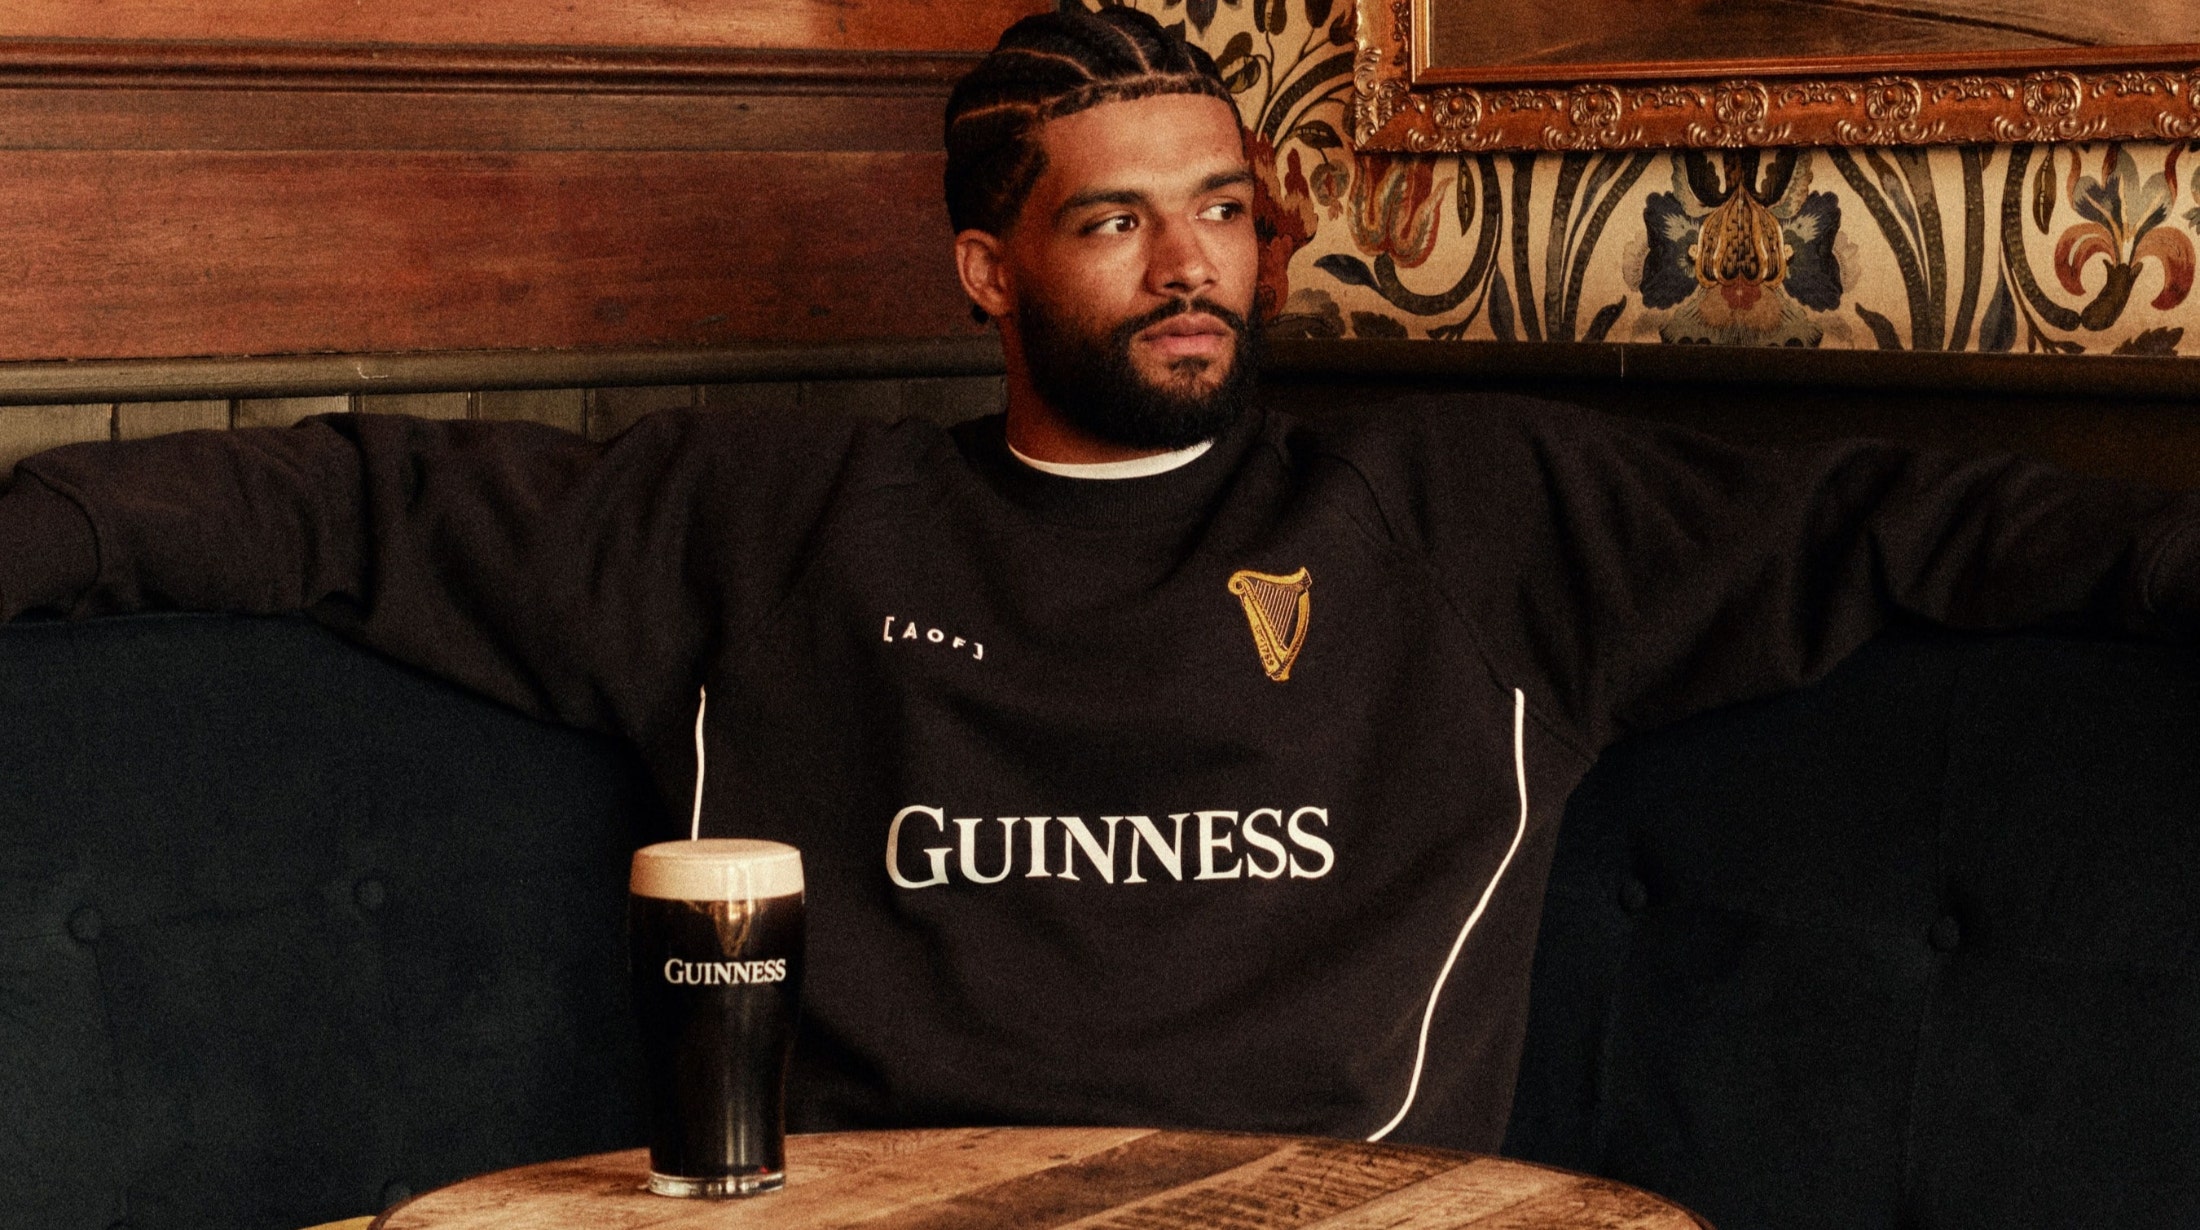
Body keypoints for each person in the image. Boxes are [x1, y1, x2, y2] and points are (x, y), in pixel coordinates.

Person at [0, 7, 2196, 1152]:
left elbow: (1903, 522)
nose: (1193, 267)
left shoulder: (1472, 518)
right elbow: (342, 502)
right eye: (1114, 220)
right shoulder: (771, 524)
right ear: (985, 267)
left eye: (1225, 210)